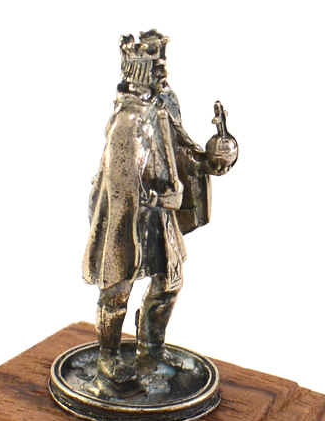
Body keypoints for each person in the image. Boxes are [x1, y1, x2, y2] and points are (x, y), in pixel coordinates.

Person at [82, 30, 237, 393]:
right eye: (156, 66)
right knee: (116, 289)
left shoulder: (165, 103)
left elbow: (180, 151)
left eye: (163, 64)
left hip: (159, 214)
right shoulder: (126, 120)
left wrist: (210, 160)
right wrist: (156, 197)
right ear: (140, 71)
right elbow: (119, 182)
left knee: (169, 282)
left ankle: (150, 349)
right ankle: (107, 359)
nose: (163, 72)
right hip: (126, 218)